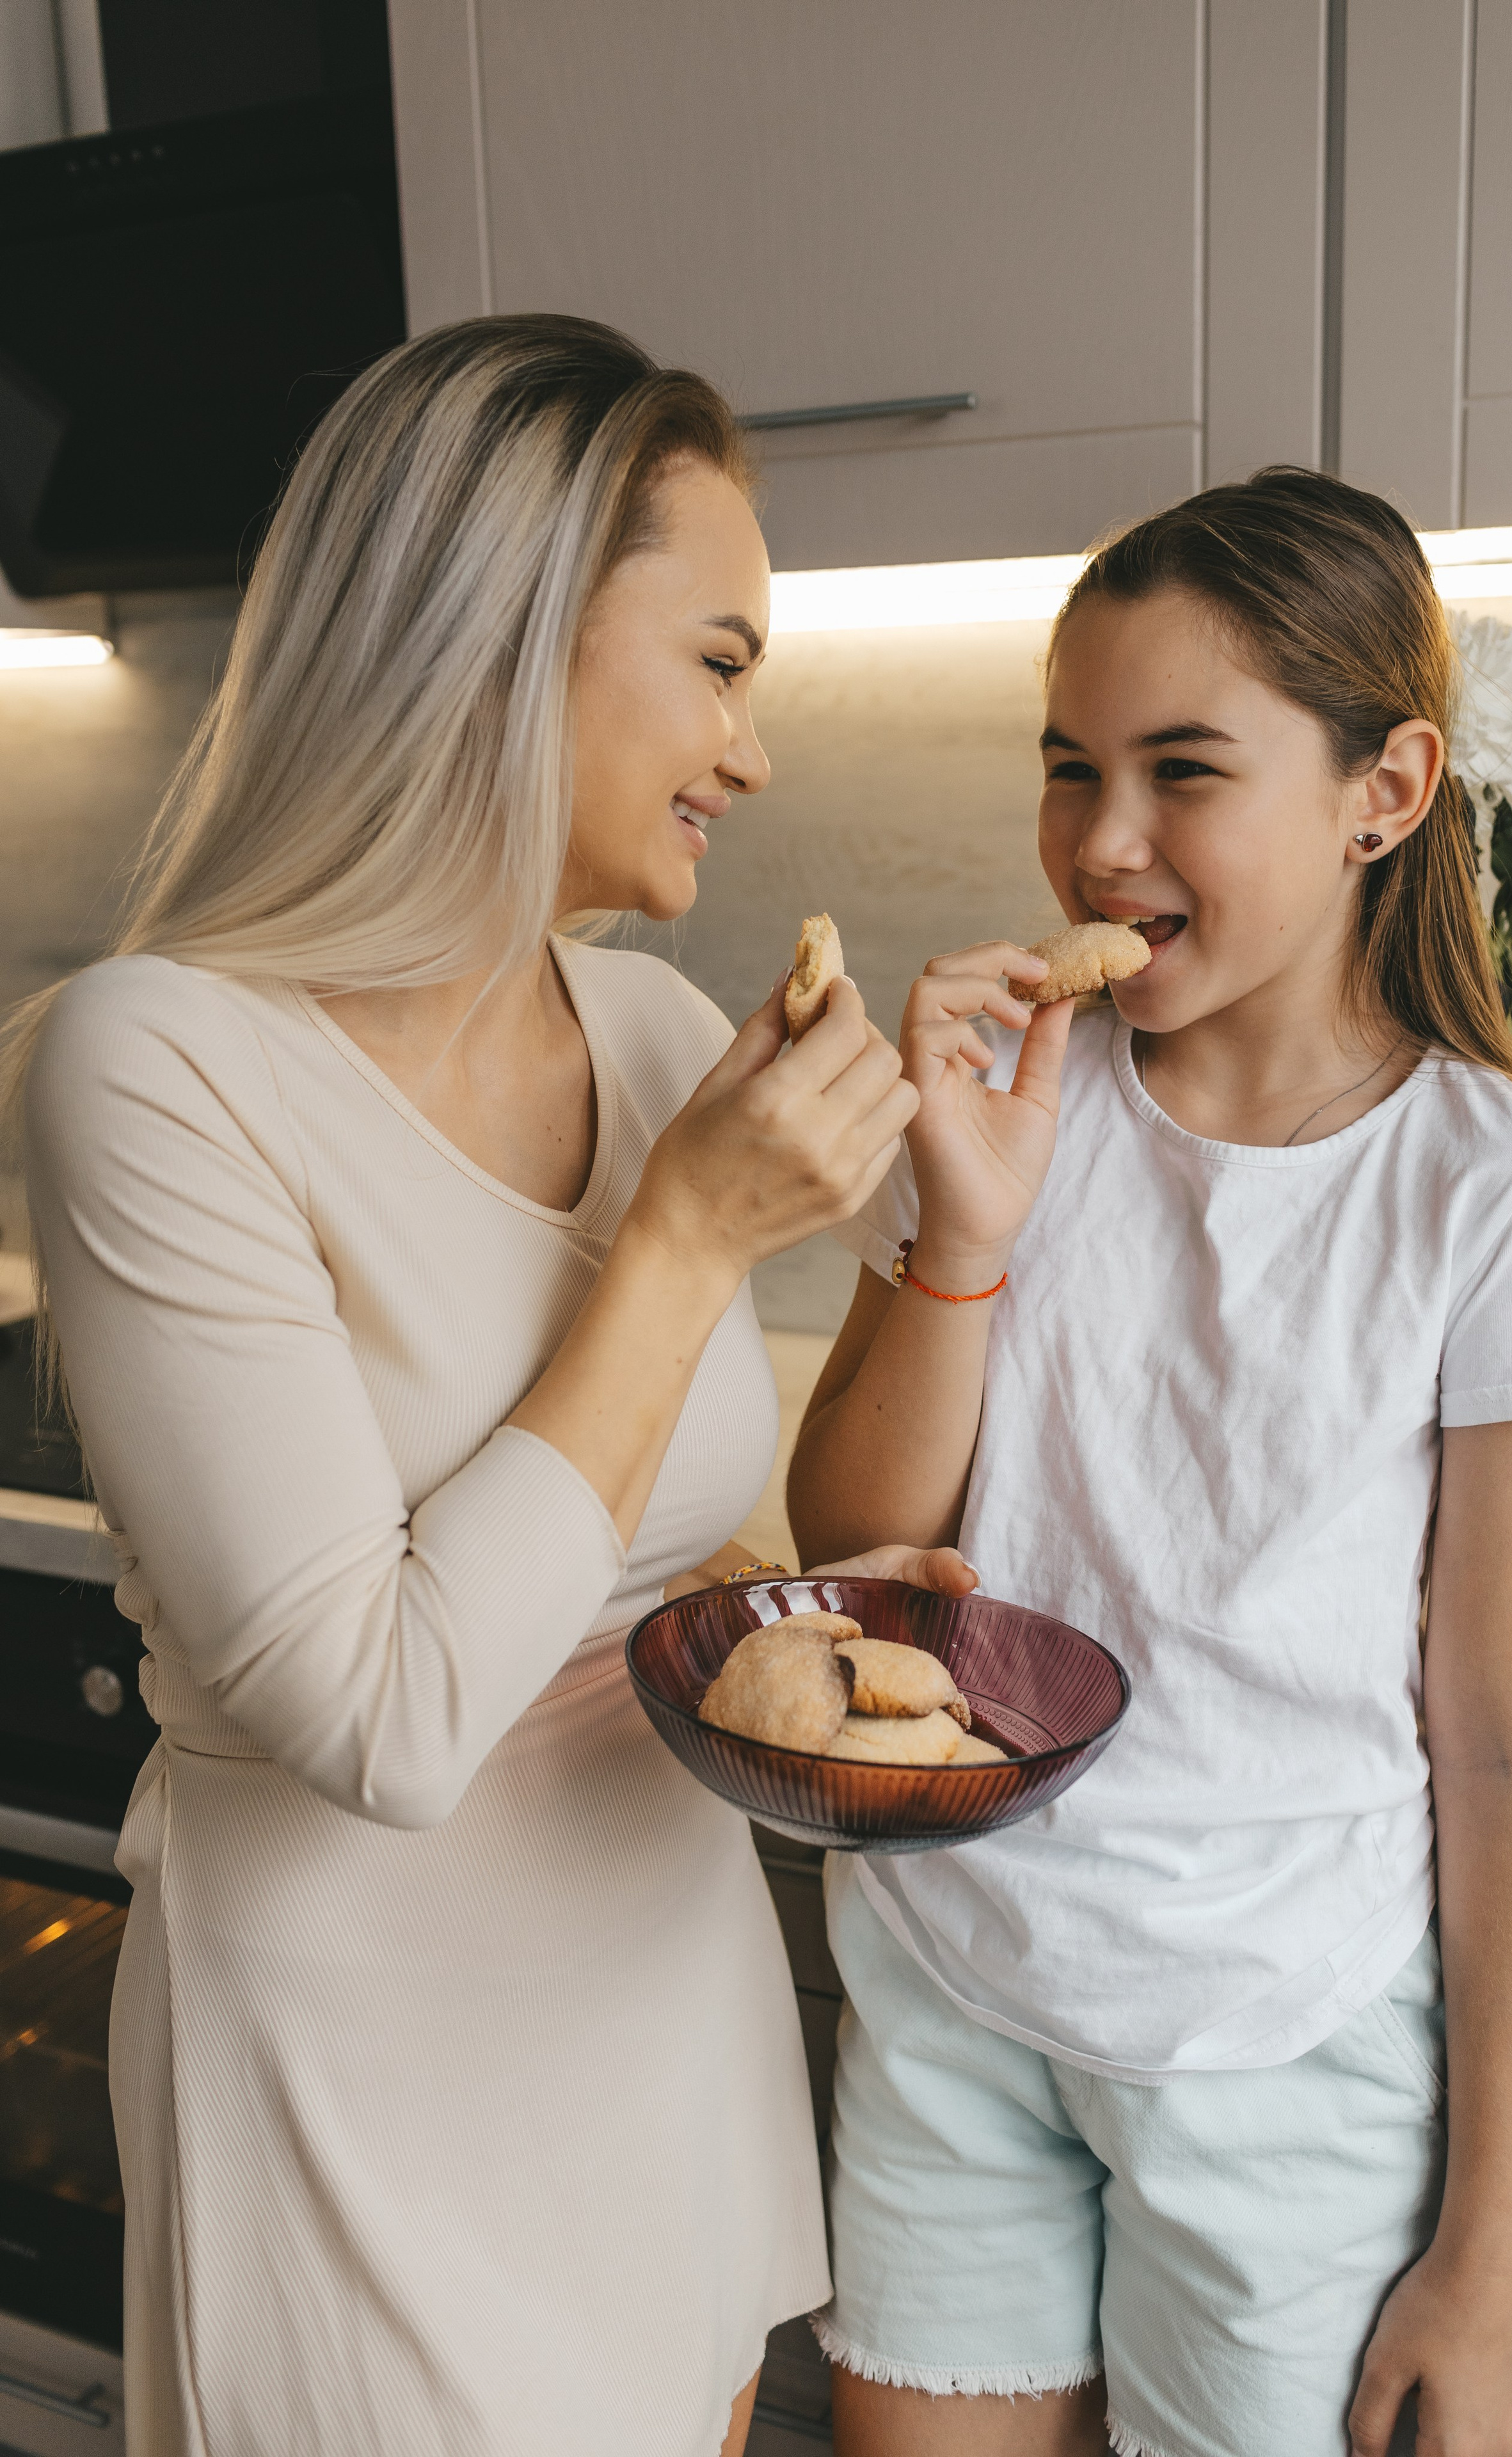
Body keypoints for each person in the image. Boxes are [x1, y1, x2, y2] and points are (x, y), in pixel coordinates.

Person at [4, 315, 966, 2457]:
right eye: (720, 662)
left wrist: (831, 1614)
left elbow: (647, 1556)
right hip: (361, 2086)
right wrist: (697, 1236)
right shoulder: (154, 1060)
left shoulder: (643, 1042)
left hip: (663, 2017)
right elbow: (386, 1717)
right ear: (512, 632)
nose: (754, 746)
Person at [786, 468, 1512, 2457]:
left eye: (1183, 772)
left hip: (1282, 2044)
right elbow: (862, 1538)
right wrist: (968, 1228)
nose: (1102, 844)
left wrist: (1493, 2273)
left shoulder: (1502, 1200)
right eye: (1070, 767)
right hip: (952, 1989)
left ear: (1387, 789)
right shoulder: (1016, 1103)